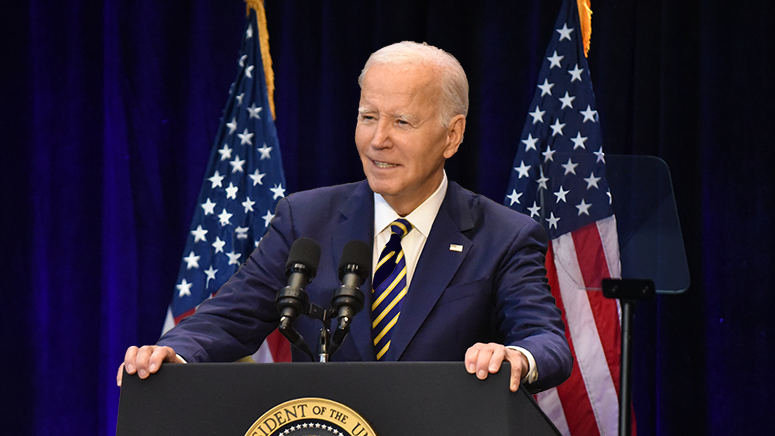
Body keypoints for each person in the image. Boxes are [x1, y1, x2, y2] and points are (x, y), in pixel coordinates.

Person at [118, 41, 572, 394]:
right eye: (368, 116)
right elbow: (230, 315)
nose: (378, 140)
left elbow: (546, 341)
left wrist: (514, 356)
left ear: (451, 136)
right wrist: (172, 352)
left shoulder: (504, 236)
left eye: (402, 123)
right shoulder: (305, 219)